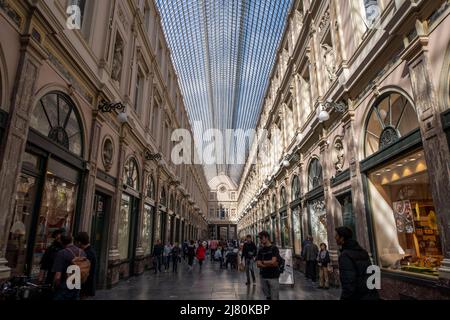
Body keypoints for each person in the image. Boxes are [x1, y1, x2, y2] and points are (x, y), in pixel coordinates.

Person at [335, 226, 380, 300]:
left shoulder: (345, 255)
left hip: (357, 296)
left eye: (336, 235)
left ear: (342, 238)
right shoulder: (363, 252)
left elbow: (349, 283)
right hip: (370, 294)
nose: (335, 237)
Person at [52, 234, 87, 300]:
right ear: (72, 240)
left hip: (64, 285)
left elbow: (57, 276)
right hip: (76, 285)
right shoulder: (82, 252)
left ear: (62, 242)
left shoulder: (61, 253)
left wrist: (55, 285)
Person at [256, 231, 280, 300]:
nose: (260, 239)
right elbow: (258, 264)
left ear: (266, 238)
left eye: (261, 238)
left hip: (273, 277)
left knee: (274, 297)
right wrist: (269, 264)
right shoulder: (261, 250)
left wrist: (262, 262)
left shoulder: (274, 248)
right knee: (268, 297)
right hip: (263, 276)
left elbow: (273, 262)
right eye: (259, 238)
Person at [74, 232, 97, 298]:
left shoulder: (87, 253)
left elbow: (84, 272)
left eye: (76, 242)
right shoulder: (90, 251)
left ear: (79, 242)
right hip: (87, 285)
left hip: (85, 286)